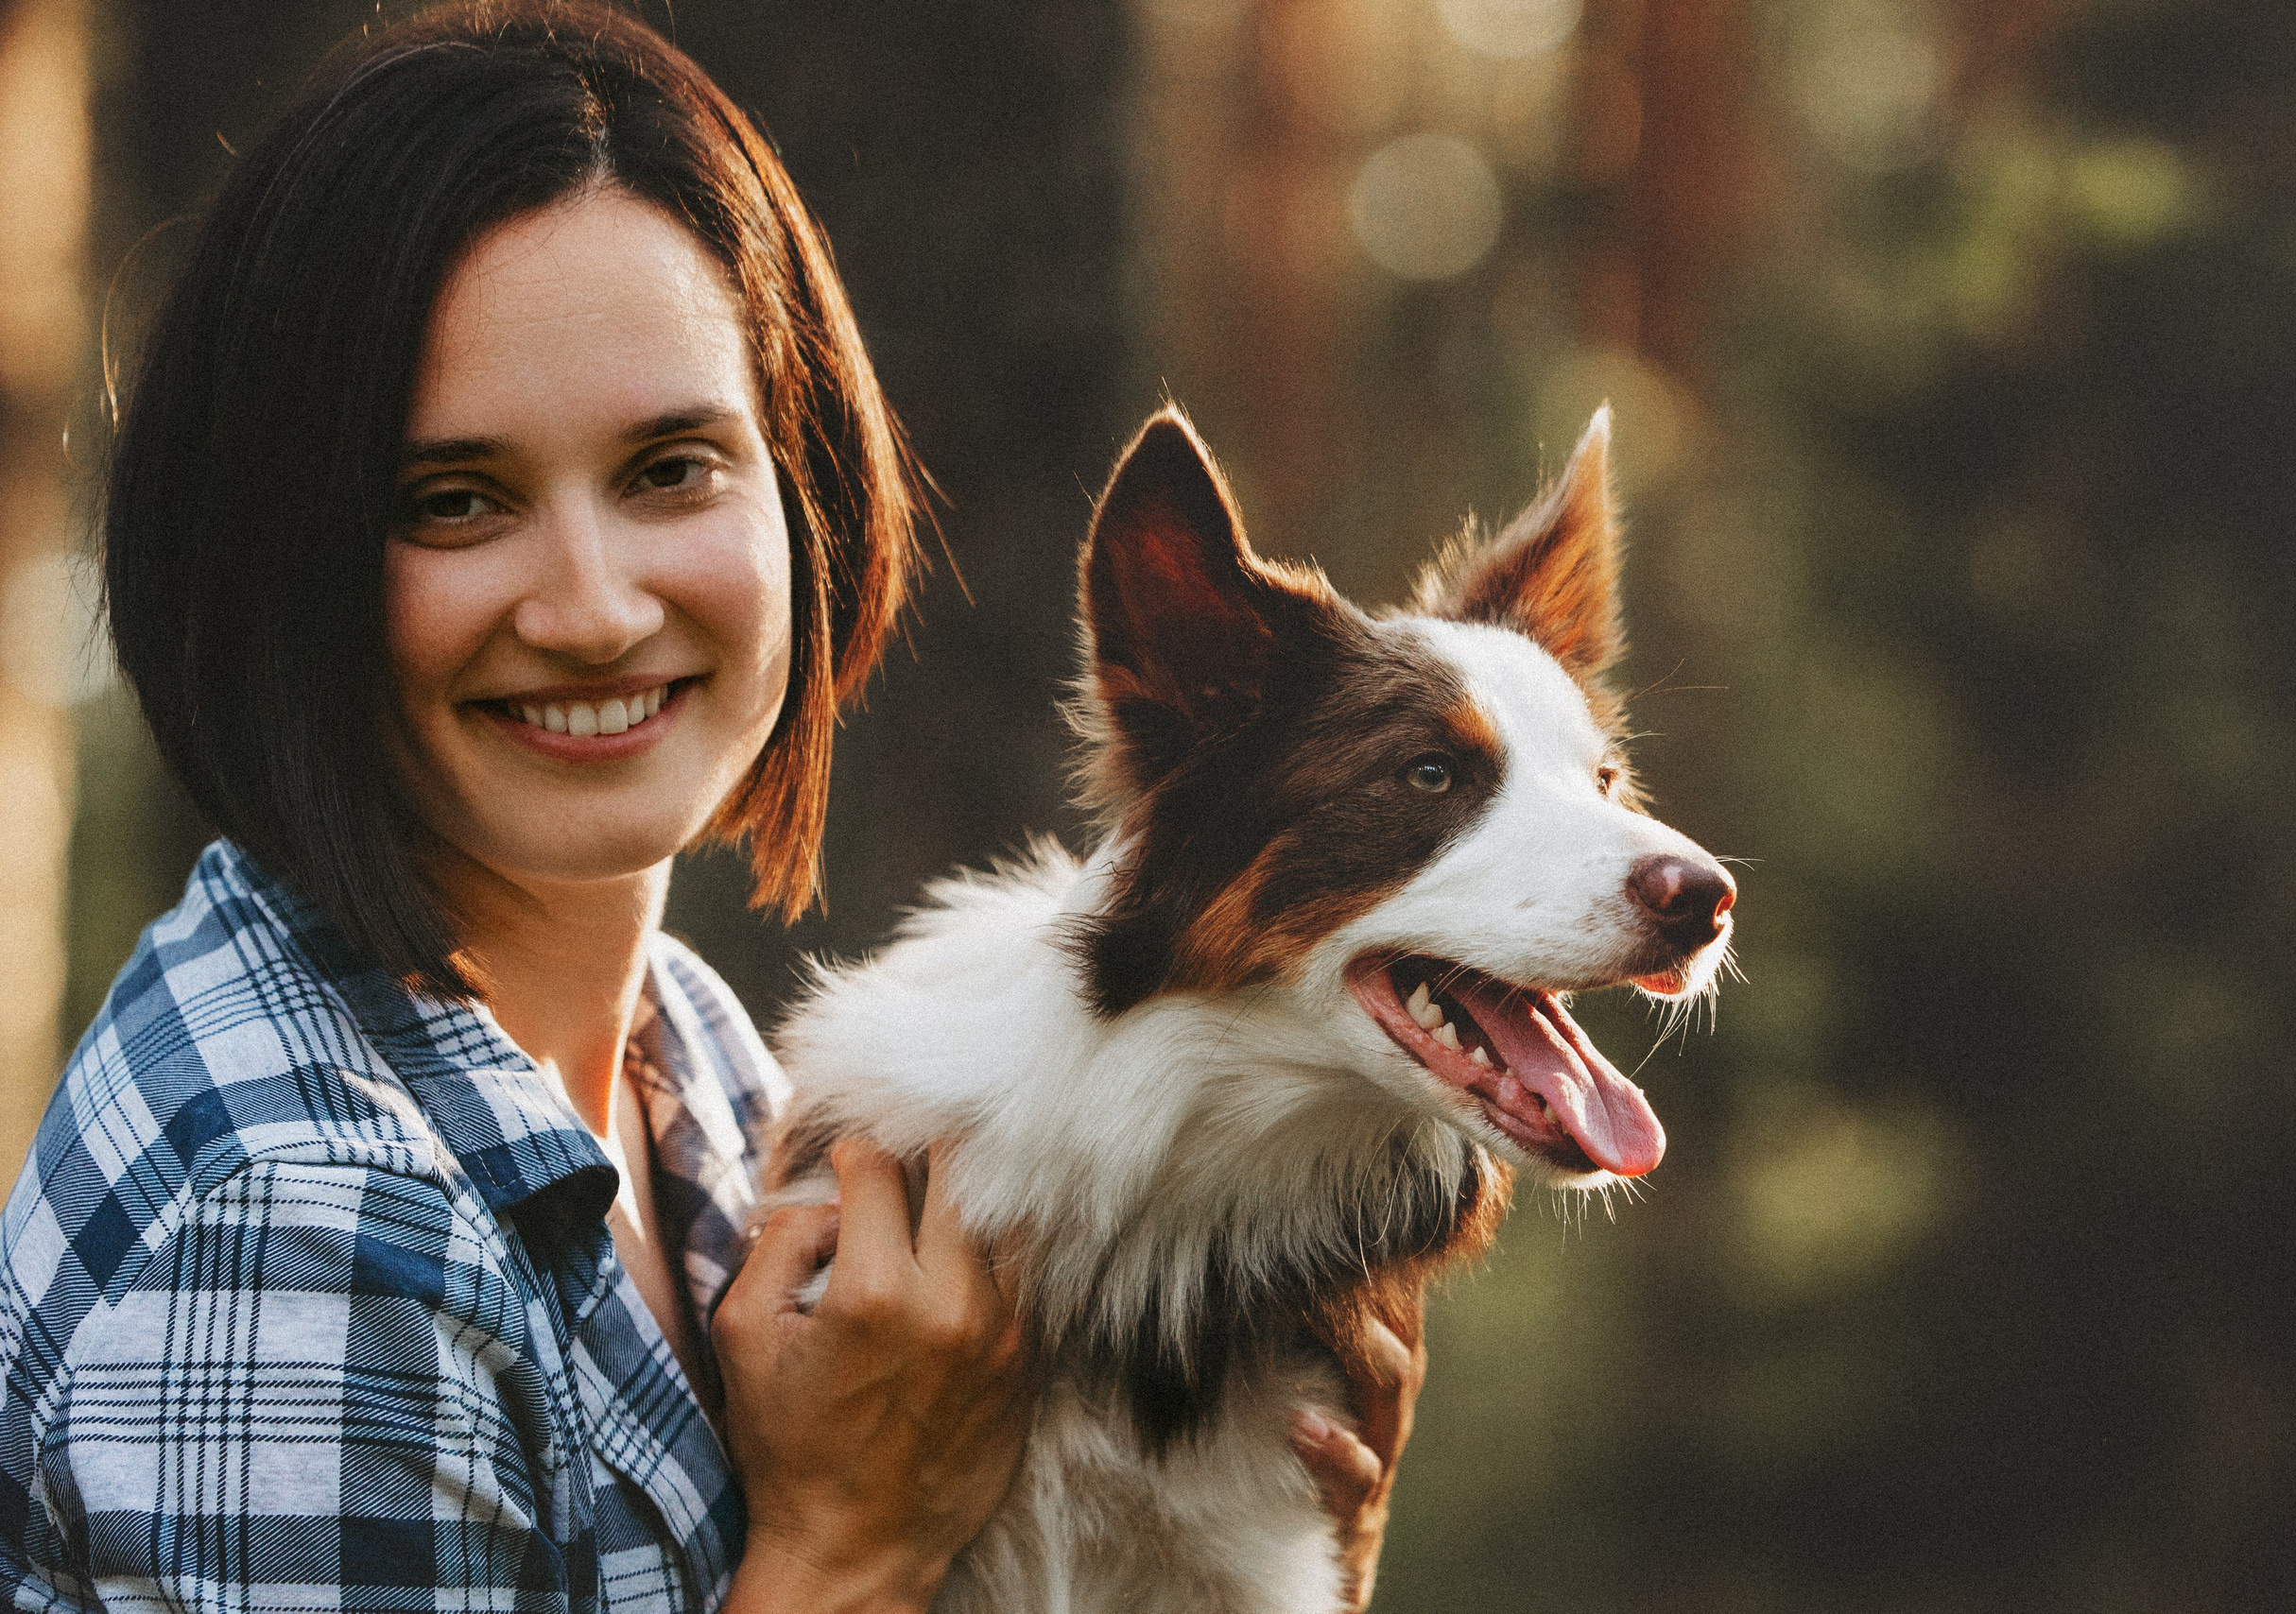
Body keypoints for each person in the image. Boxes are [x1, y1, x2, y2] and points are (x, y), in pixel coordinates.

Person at [0, 6, 1424, 1612]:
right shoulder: (305, 1243)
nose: (595, 608)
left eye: (671, 469)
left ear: (803, 489)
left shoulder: (686, 1055)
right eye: (454, 501)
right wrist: (847, 1550)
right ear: (279, 554)